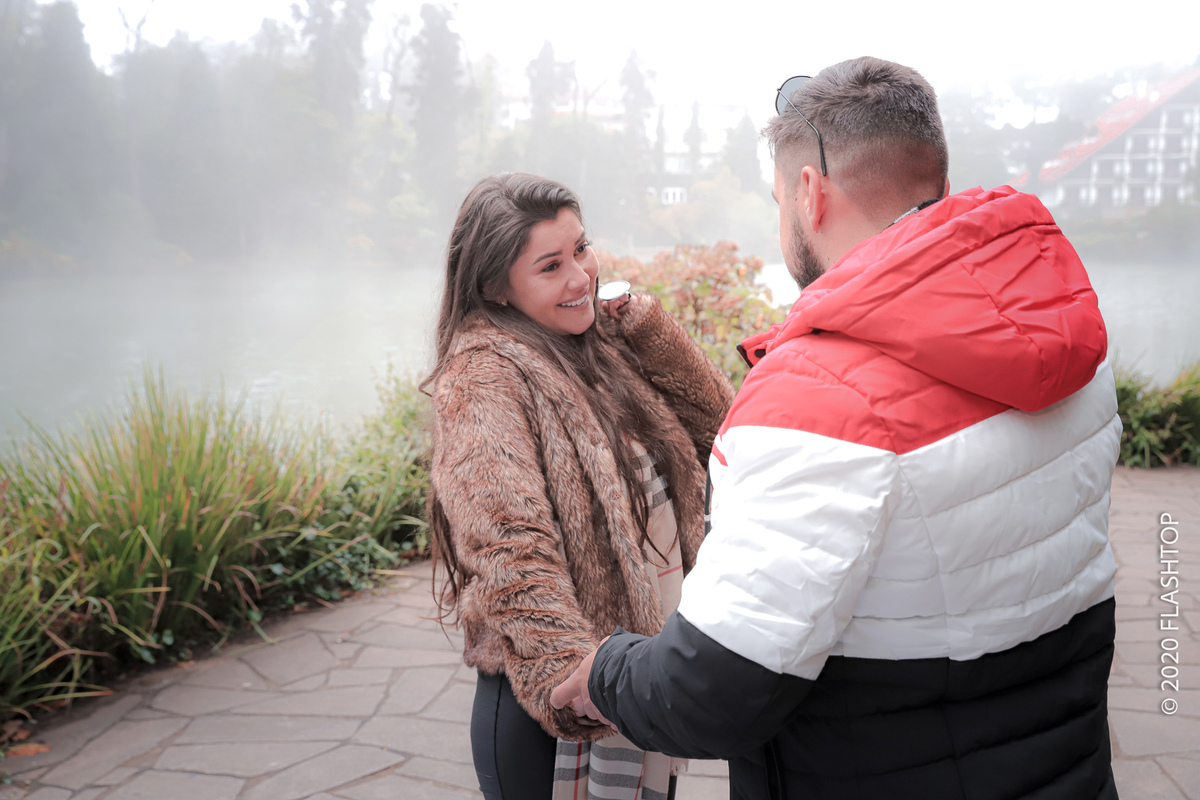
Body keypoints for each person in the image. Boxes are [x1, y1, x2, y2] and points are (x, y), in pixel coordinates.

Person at [552, 57, 1121, 799]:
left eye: (778, 201)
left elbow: (711, 691)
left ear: (809, 195)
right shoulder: (1064, 333)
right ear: (936, 178)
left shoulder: (817, 400)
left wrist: (606, 672)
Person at [425, 173, 734, 800]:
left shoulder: (601, 346)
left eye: (581, 249)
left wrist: (649, 332)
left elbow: (726, 432)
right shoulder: (482, 377)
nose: (580, 277)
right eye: (551, 266)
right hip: (557, 707)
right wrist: (576, 680)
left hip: (637, 682)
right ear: (495, 287)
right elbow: (508, 546)